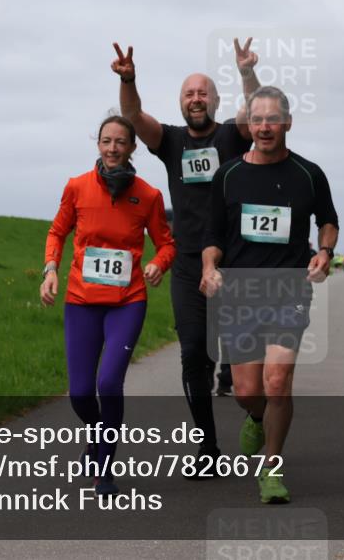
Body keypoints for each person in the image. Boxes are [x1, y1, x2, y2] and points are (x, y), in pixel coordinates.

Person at [110, 39, 259, 471]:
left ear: (215, 100)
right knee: (194, 354)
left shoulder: (232, 132)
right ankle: (208, 449)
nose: (196, 99)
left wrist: (247, 73)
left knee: (246, 360)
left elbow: (257, 113)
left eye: (203, 93)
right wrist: (128, 79)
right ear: (181, 103)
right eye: (189, 94)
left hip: (236, 263)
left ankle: (257, 418)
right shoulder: (171, 142)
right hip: (190, 266)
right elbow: (134, 117)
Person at [201, 86, 339, 504]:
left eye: (272, 119)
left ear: (287, 123)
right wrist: (208, 267)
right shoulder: (227, 175)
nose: (264, 127)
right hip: (241, 294)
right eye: (257, 119)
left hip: (288, 290)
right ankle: (256, 417)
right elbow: (213, 237)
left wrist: (326, 252)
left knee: (277, 381)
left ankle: (272, 470)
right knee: (247, 391)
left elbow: (328, 221)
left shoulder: (308, 174)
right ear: (249, 125)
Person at [40, 113, 176, 497]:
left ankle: (104, 467)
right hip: (81, 301)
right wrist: (51, 269)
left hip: (127, 302)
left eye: (120, 142)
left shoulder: (148, 195)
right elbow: (57, 231)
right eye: (106, 141)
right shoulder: (77, 187)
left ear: (133, 148)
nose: (113, 148)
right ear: (97, 145)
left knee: (108, 383)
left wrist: (157, 263)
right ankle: (97, 437)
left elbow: (167, 243)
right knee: (81, 392)